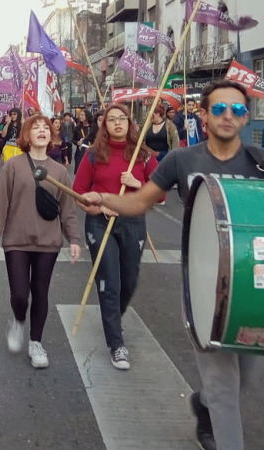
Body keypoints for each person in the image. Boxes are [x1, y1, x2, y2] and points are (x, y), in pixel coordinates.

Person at [79, 80, 264, 450]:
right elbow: (140, 201)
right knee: (225, 386)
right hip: (203, 286)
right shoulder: (182, 160)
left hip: (257, 289)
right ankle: (218, 419)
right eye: (220, 109)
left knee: (244, 377)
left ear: (246, 118)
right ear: (203, 115)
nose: (229, 116)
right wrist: (105, 198)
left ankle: (203, 403)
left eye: (238, 110)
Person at [0, 114, 81, 369]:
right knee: (20, 294)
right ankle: (18, 321)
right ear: (26, 136)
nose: (41, 131)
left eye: (45, 128)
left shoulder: (59, 170)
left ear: (51, 136)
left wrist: (73, 238)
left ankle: (36, 342)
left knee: (40, 292)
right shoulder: (13, 165)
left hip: (48, 242)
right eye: (35, 127)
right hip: (16, 240)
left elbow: (67, 208)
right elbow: (0, 204)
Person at [73, 103, 158, 371]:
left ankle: (113, 318)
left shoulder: (143, 155)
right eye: (111, 119)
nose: (117, 123)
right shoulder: (93, 156)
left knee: (129, 280)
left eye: (122, 118)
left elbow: (161, 194)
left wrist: (138, 185)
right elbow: (79, 192)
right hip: (100, 223)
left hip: (133, 222)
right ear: (104, 124)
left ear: (130, 123)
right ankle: (116, 342)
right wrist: (100, 205)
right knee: (109, 280)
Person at [73, 109, 93, 173]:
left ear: (87, 116)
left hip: (91, 152)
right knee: (79, 172)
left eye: (82, 115)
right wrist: (77, 142)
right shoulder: (77, 128)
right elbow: (73, 139)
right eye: (80, 115)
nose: (80, 116)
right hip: (80, 153)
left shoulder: (93, 127)